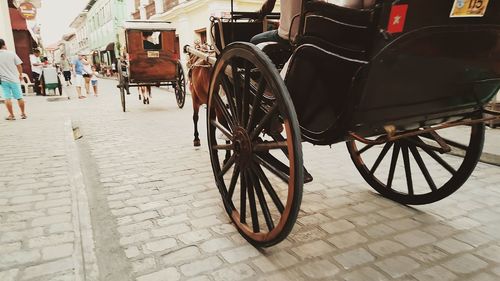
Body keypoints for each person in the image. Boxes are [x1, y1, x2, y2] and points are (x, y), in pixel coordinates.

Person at [0, 39, 27, 120]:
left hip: (3, 80)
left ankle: (11, 115)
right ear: (4, 45)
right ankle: (23, 114)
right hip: (14, 79)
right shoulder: (11, 53)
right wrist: (20, 75)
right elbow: (19, 65)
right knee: (19, 97)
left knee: (7, 98)